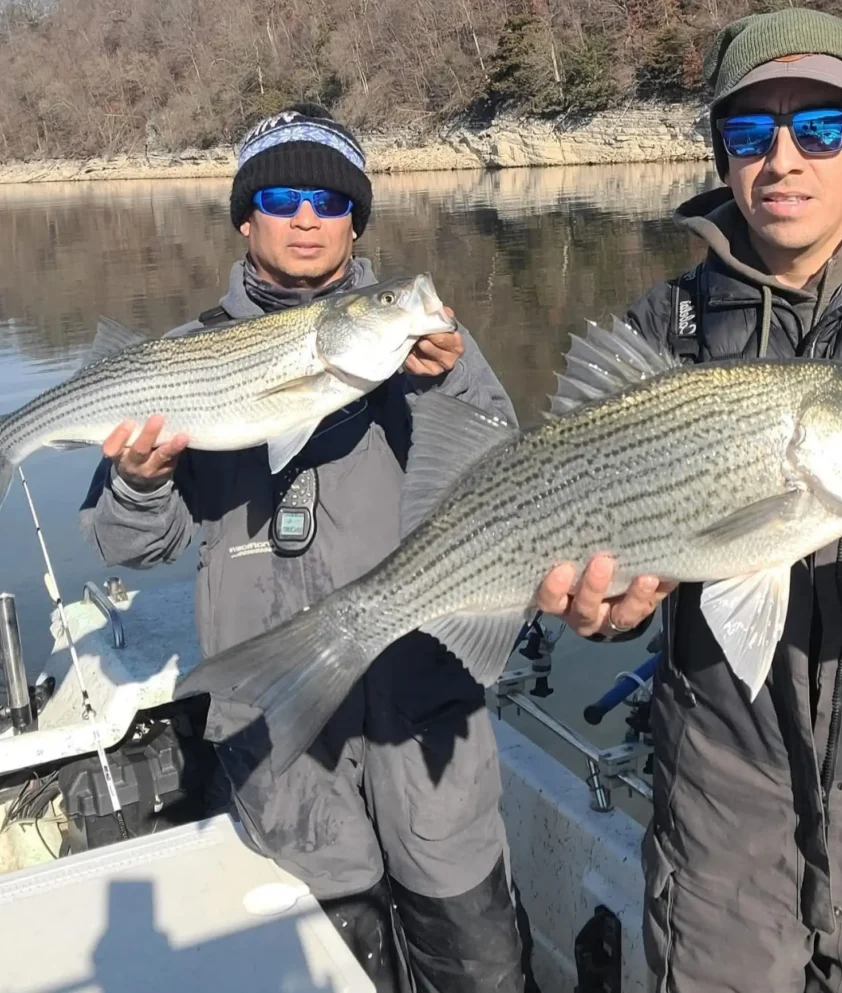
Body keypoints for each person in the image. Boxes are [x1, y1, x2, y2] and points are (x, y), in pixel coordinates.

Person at [536, 10, 842, 992]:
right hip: (717, 816)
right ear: (722, 156)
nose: (783, 158)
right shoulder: (657, 330)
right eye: (750, 134)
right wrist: (601, 606)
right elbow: (606, 571)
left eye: (821, 128)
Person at [80, 103, 533, 993]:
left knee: (478, 962)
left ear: (355, 221)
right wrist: (137, 480)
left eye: (330, 201)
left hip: (426, 718)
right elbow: (131, 541)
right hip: (284, 750)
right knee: (333, 964)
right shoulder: (186, 360)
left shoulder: (426, 340)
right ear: (246, 215)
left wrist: (454, 383)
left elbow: (508, 475)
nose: (305, 218)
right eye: (282, 195)